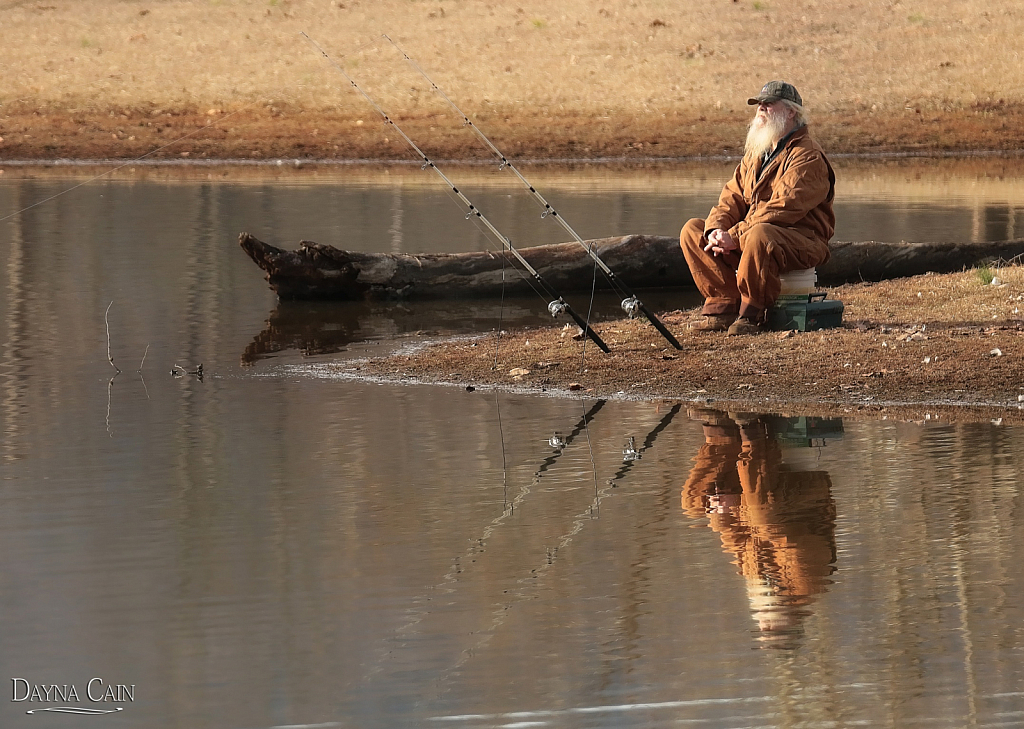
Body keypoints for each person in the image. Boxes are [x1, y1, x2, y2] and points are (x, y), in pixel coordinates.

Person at [680, 81, 836, 335]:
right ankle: (724, 307)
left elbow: (783, 209)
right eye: (759, 105)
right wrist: (716, 231)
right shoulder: (757, 153)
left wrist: (734, 236)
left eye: (768, 105)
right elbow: (730, 198)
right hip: (755, 235)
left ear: (790, 112)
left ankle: (752, 313)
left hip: (802, 241)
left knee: (761, 233)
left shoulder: (808, 156)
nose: (760, 110)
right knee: (693, 231)